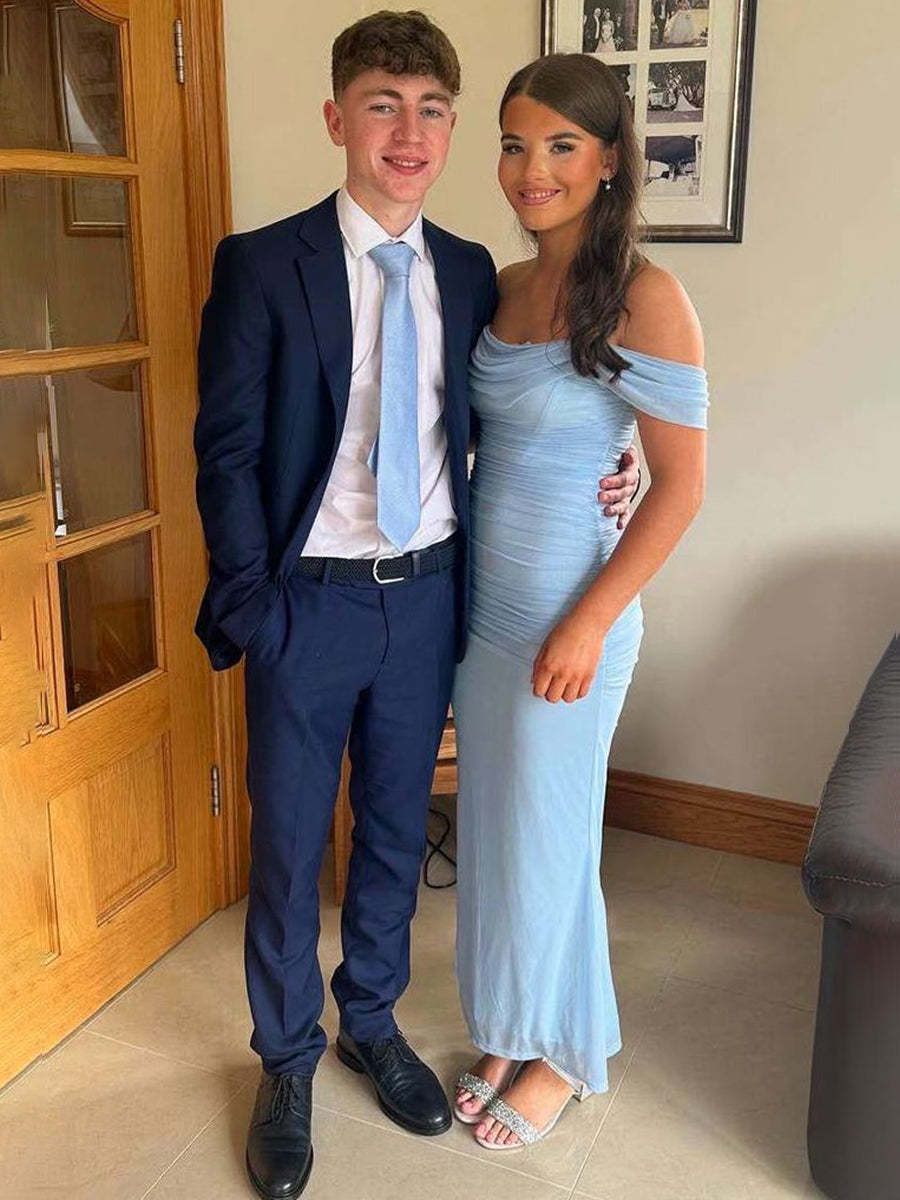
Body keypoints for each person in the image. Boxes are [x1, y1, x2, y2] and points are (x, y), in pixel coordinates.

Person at [193, 13, 638, 1198]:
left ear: (451, 130)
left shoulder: (470, 272)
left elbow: (530, 410)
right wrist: (257, 606)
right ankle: (286, 1060)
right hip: (307, 605)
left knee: (397, 831)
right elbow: (225, 451)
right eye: (382, 106)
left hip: (434, 600)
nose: (408, 132)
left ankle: (371, 1022)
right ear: (337, 119)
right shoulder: (262, 263)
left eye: (432, 110)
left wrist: (623, 463)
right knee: (292, 845)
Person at [453, 52, 708, 1150]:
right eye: (515, 144)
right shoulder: (502, 288)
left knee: (552, 841)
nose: (533, 169)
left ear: (608, 160)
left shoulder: (649, 296)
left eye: (561, 145)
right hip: (484, 613)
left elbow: (682, 487)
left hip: (574, 618)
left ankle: (562, 1051)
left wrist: (589, 621)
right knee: (498, 836)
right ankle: (509, 1026)